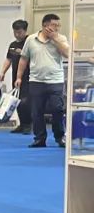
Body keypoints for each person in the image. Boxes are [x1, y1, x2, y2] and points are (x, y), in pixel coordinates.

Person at [16, 13, 69, 148]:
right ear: (45, 25)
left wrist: (55, 39)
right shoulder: (31, 40)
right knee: (36, 111)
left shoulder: (61, 38)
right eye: (54, 25)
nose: (57, 28)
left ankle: (60, 137)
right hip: (36, 81)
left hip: (55, 81)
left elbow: (67, 54)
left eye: (58, 25)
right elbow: (24, 58)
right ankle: (40, 138)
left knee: (57, 109)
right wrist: (19, 77)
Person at [0, 19, 31, 134]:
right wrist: (3, 72)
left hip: (29, 77)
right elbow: (9, 59)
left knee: (26, 102)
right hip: (16, 77)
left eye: (19, 32)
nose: (17, 34)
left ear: (25, 31)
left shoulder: (30, 43)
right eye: (15, 32)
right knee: (16, 101)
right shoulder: (13, 46)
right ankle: (22, 124)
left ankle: (29, 124)